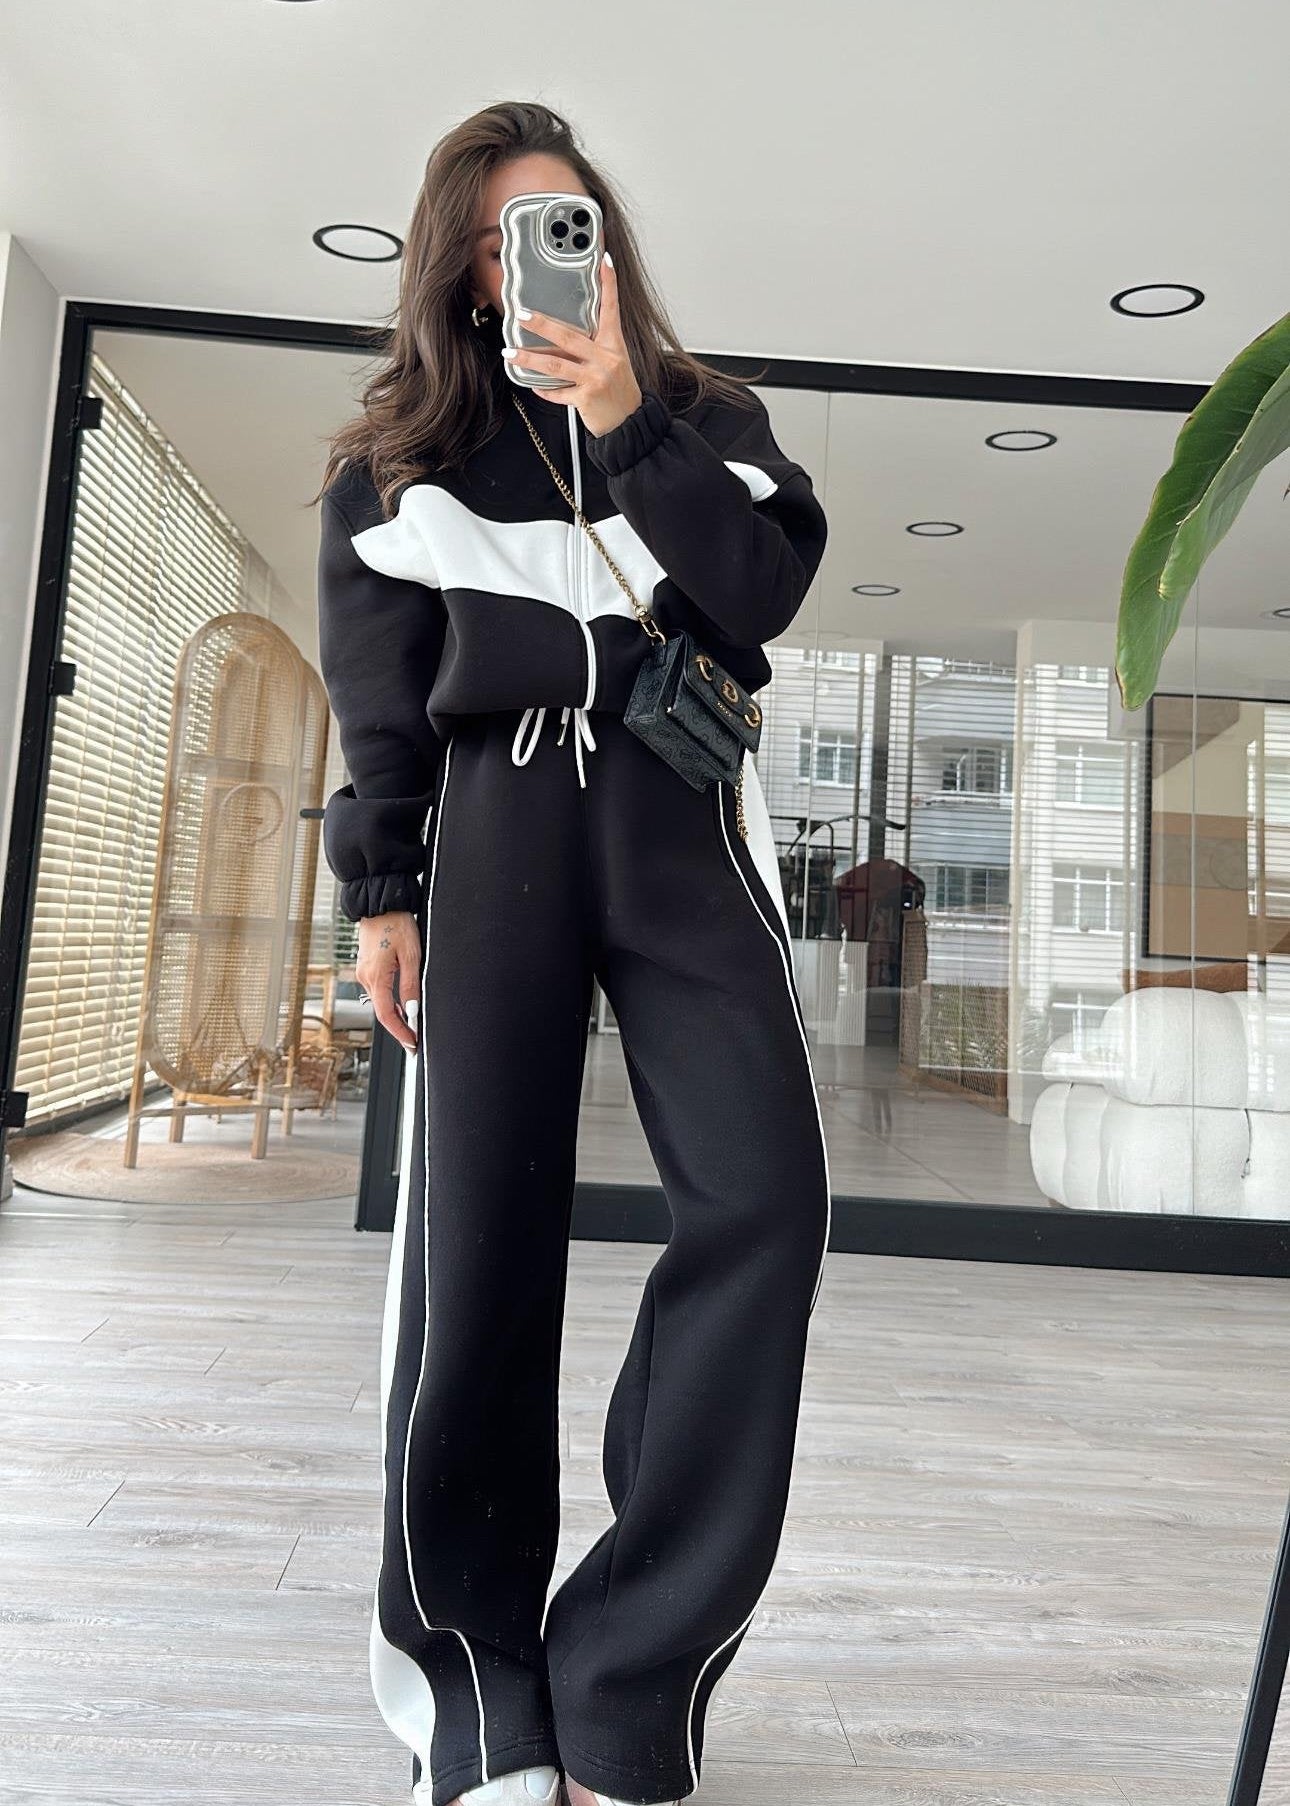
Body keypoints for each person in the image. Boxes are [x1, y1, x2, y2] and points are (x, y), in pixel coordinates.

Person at [313, 100, 831, 1806]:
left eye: (560, 221)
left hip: (682, 813)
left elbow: (752, 593)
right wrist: (381, 890)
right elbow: (380, 696)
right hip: (497, 818)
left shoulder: (708, 417)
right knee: (477, 1247)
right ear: (462, 270)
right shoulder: (394, 456)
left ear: (602, 239)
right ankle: (473, 1695)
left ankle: (626, 1684)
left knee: (764, 1200)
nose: (527, 253)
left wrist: (620, 411)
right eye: (493, 234)